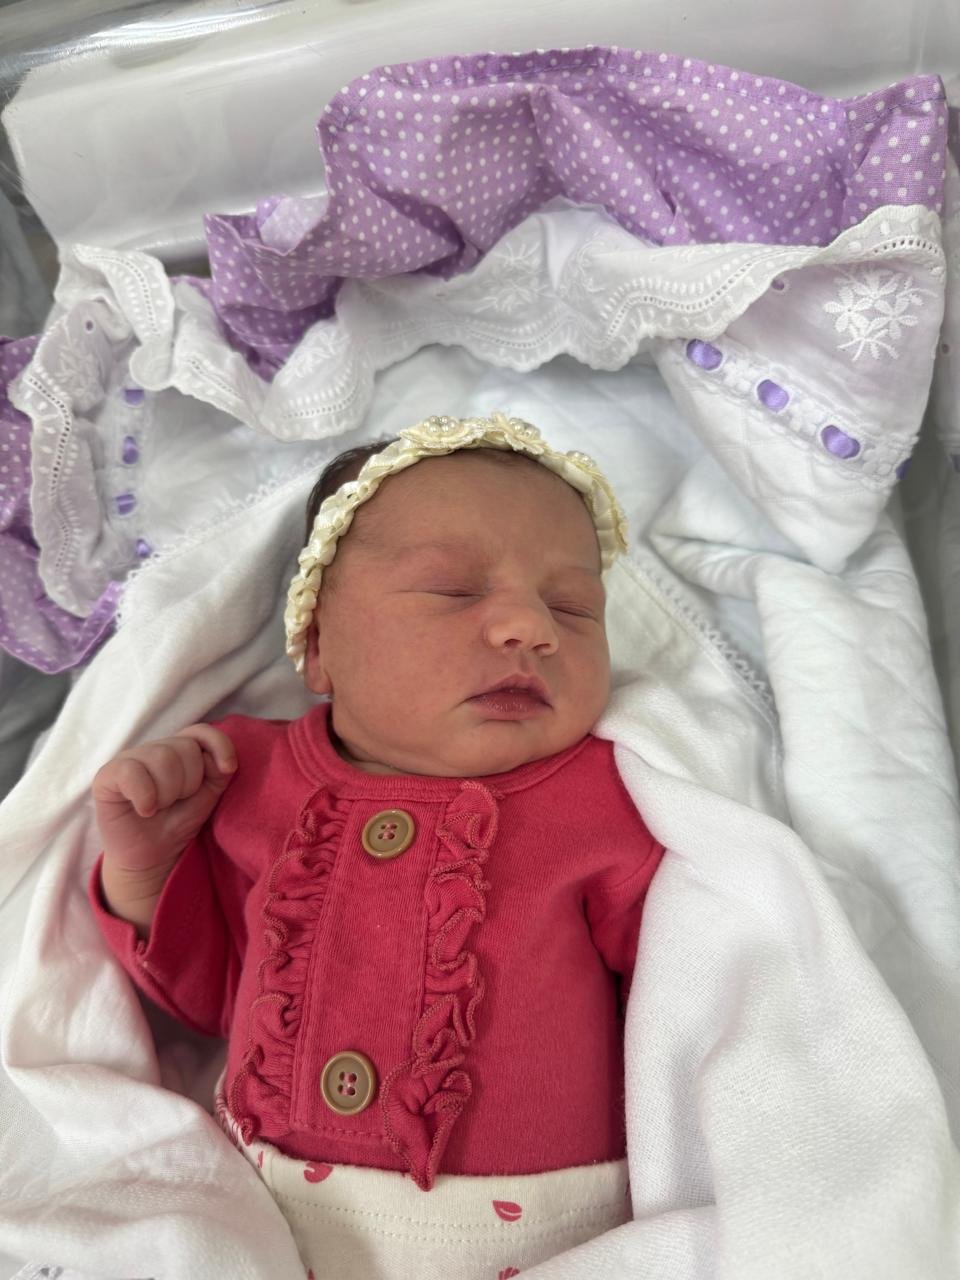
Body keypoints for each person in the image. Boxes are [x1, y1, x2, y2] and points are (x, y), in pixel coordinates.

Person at [89, 412, 665, 1279]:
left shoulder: (608, 799)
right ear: (318, 646)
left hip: (545, 1242)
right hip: (254, 1225)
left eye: (573, 606)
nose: (530, 626)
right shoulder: (244, 776)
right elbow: (214, 1002)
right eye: (453, 590)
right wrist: (146, 867)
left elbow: (702, 992)